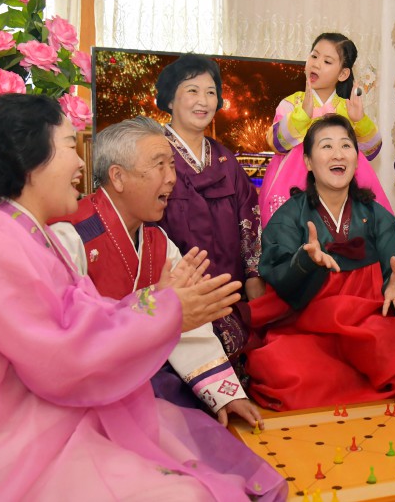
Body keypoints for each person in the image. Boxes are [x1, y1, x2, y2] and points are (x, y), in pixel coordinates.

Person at [0, 94, 286, 500]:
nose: (79, 163)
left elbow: (82, 320)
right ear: (29, 155)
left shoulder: (25, 234)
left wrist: (164, 303)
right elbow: (59, 353)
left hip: (48, 385)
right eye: (71, 145)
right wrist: (167, 309)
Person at [50, 116, 262, 428]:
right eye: (159, 164)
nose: (172, 177)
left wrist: (226, 395)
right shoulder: (71, 236)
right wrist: (160, 308)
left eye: (171, 164)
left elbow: (189, 327)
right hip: (88, 392)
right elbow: (66, 338)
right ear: (118, 177)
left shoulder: (159, 244)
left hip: (144, 378)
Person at [246, 114, 395, 411]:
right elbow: (278, 277)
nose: (337, 154)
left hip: (364, 320)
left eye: (346, 146)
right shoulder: (289, 216)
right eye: (326, 146)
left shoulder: (374, 213)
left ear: (357, 160)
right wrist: (305, 262)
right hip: (307, 322)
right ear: (308, 161)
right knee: (282, 369)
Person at [155, 54, 264, 306]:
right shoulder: (153, 155)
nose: (203, 101)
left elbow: (249, 216)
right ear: (170, 99)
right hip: (176, 295)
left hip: (231, 292)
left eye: (210, 92)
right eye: (192, 90)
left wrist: (253, 274)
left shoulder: (226, 160)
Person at [260, 32, 391, 226]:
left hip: (341, 188)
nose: (316, 63)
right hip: (293, 186)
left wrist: (359, 120)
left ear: (343, 74)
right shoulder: (291, 103)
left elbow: (372, 151)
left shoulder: (348, 108)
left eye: (327, 61)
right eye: (314, 56)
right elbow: (277, 143)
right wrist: (303, 114)